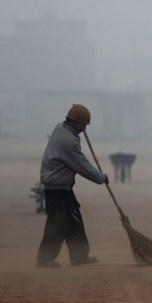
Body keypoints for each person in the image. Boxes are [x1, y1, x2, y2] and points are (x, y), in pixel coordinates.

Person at [36, 104, 109, 268]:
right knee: (57, 224)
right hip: (57, 188)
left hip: (60, 187)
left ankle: (79, 256)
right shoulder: (68, 141)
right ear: (74, 122)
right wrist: (101, 177)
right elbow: (81, 165)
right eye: (83, 125)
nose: (84, 129)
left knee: (74, 221)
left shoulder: (60, 128)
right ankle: (45, 259)